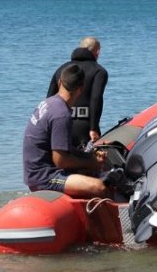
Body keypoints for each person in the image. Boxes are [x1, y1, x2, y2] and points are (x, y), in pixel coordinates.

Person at [23, 64, 111, 198]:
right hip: (44, 177)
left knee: (95, 172)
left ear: (60, 83)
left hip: (35, 171)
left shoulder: (49, 103)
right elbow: (61, 161)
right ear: (81, 89)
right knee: (99, 187)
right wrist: (91, 163)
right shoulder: (61, 114)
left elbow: (62, 150)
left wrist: (88, 156)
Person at [47, 37, 108, 149]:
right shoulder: (99, 71)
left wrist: (48, 126)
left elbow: (49, 98)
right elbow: (96, 99)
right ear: (98, 52)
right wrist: (93, 128)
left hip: (60, 124)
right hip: (84, 127)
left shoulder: (61, 69)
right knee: (85, 163)